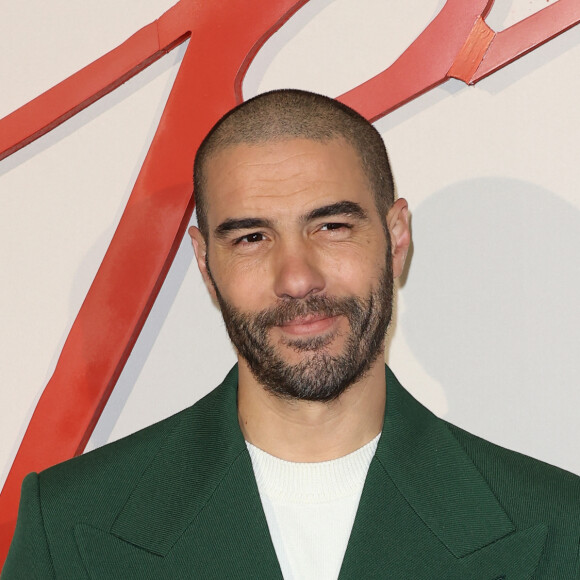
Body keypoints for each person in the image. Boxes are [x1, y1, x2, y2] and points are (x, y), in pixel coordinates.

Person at [2, 89, 579, 579]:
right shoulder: (70, 524)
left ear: (396, 237)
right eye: (251, 238)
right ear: (205, 264)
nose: (297, 278)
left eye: (331, 226)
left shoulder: (558, 524)